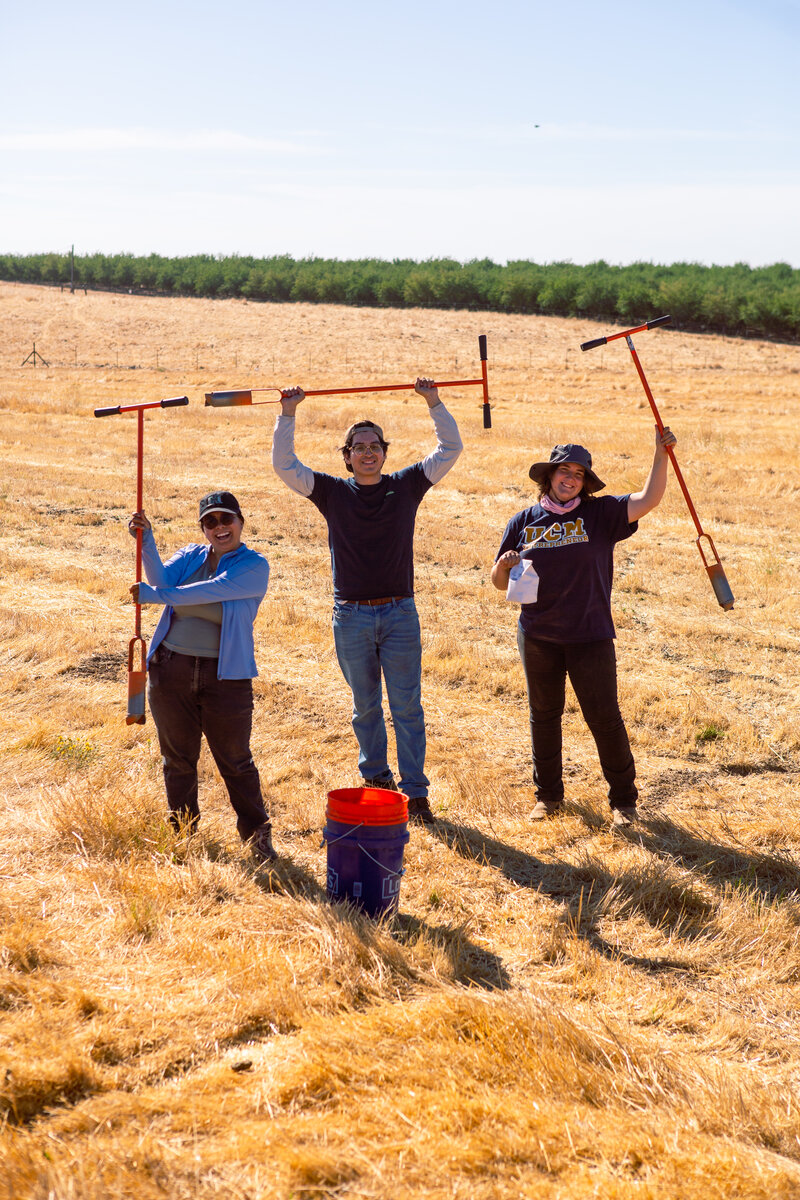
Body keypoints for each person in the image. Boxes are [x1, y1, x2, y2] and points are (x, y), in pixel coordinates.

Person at [272, 379, 463, 824]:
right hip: (351, 616)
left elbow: (450, 448)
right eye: (358, 446)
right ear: (347, 456)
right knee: (366, 706)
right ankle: (377, 777)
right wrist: (287, 413)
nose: (367, 452)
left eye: (374, 445)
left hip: (400, 613)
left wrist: (433, 402)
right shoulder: (332, 492)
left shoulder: (407, 485)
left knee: (407, 706)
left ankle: (415, 793)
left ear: (384, 452)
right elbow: (284, 465)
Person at [491, 429, 676, 827]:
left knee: (604, 718)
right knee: (544, 716)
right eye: (564, 471)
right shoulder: (523, 521)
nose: (570, 478)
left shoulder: (601, 514)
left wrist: (660, 454)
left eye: (578, 473)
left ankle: (624, 802)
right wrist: (504, 566)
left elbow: (649, 499)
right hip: (537, 636)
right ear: (549, 476)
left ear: (585, 482)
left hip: (590, 635)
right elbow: (498, 583)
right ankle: (548, 797)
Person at [128, 490, 276, 861]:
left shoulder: (254, 566)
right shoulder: (189, 555)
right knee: (177, 759)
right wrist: (147, 541)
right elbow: (164, 581)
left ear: (241, 522)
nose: (219, 527)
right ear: (203, 528)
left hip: (227, 676)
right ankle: (183, 834)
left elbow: (212, 590)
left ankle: (257, 835)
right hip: (170, 667)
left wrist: (160, 596)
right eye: (210, 522)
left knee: (236, 760)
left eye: (226, 519)